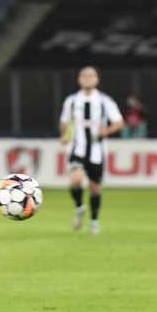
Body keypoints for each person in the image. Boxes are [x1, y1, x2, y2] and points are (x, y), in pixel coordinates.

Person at [59, 66, 125, 235]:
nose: (87, 78)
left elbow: (119, 122)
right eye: (84, 75)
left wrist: (107, 130)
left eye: (91, 75)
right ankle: (80, 207)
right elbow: (64, 120)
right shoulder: (72, 101)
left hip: (97, 149)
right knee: (75, 179)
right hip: (77, 147)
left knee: (94, 187)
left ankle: (94, 221)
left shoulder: (105, 101)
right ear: (79, 80)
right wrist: (64, 134)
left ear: (97, 80)